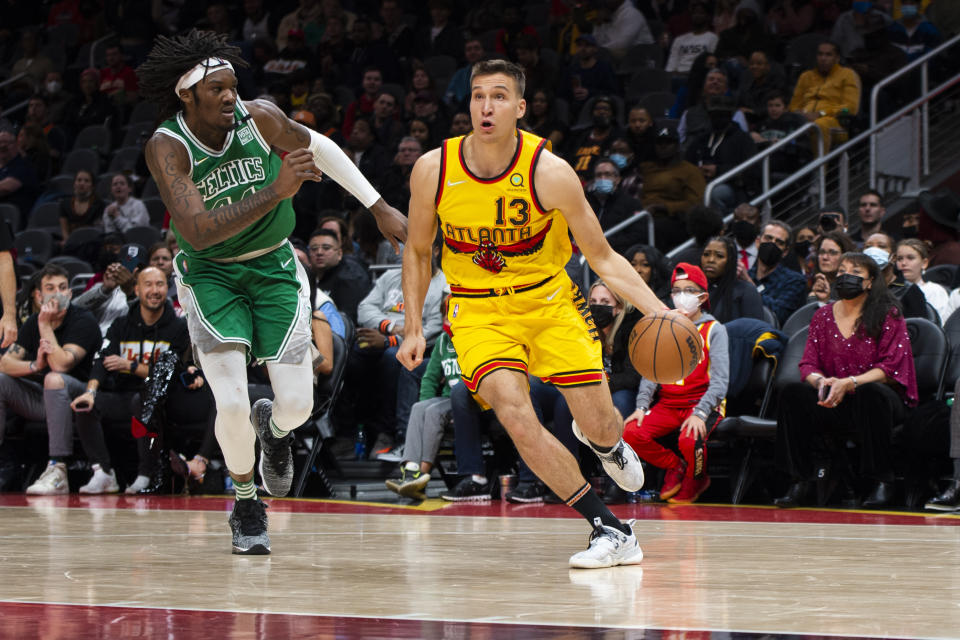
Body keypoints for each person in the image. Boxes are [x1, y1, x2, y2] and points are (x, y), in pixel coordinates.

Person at [139, 30, 407, 555]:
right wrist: (275, 190)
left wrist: (375, 204)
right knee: (233, 403)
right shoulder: (167, 146)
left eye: (233, 86)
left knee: (298, 403)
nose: (228, 97)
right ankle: (244, 500)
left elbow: (318, 146)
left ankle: (277, 432)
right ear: (186, 95)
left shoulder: (257, 117)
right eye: (216, 89)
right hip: (211, 274)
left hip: (274, 267)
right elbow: (194, 231)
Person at [399, 59, 672, 569]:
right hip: (478, 311)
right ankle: (609, 529)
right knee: (515, 415)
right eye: (478, 95)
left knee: (600, 423)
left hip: (549, 302)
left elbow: (603, 256)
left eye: (499, 96)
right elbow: (417, 251)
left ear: (520, 108)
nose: (486, 106)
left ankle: (607, 444)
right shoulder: (433, 170)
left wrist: (661, 313)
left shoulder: (550, 172)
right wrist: (414, 326)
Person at [774, 252, 917, 509]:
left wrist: (850, 382)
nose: (845, 276)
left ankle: (881, 480)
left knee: (871, 393)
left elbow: (890, 368)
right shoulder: (822, 316)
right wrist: (821, 383)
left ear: (871, 281)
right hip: (834, 396)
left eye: (855, 272)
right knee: (792, 393)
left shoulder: (888, 314)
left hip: (876, 398)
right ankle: (800, 481)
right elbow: (807, 364)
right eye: (842, 271)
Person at [69, 267, 208, 494]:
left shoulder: (178, 328)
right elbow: (101, 360)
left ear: (167, 289)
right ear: (136, 289)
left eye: (160, 284)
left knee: (144, 397)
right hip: (120, 395)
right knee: (84, 403)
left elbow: (170, 374)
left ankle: (146, 474)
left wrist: (130, 366)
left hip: (161, 402)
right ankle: (103, 472)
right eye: (148, 284)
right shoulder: (120, 326)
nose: (155, 290)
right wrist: (90, 392)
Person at [624, 263, 728, 503]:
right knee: (630, 433)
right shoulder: (662, 325)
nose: (682, 296)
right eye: (677, 290)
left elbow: (721, 381)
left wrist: (701, 413)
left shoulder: (714, 329)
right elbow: (651, 372)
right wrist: (641, 406)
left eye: (689, 290)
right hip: (669, 403)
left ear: (702, 296)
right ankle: (675, 466)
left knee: (690, 438)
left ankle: (697, 477)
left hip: (702, 403)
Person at [0, 265, 102, 494]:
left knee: (54, 378)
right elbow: (5, 363)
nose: (58, 293)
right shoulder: (33, 321)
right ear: (38, 295)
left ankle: (58, 469)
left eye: (63, 287)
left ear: (70, 293)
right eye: (50, 288)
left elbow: (61, 364)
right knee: (1, 380)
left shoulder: (83, 321)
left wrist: (45, 326)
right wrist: (35, 365)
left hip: (81, 399)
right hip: (46, 399)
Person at [788, 41, 861, 152]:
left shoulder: (847, 74)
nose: (823, 58)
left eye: (828, 55)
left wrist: (821, 113)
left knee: (819, 125)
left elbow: (850, 108)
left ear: (837, 58)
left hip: (835, 122)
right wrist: (800, 113)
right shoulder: (806, 76)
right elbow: (793, 106)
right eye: (820, 54)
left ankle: (820, 168)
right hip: (804, 119)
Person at [745, 221, 808, 324]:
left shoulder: (795, 280)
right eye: (768, 238)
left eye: (779, 242)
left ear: (785, 252)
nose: (772, 244)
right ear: (757, 242)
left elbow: (779, 314)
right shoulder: (747, 274)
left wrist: (749, 285)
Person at [700, 235, 764, 323]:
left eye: (719, 256)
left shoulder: (746, 291)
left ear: (731, 260)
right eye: (706, 254)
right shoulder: (697, 289)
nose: (711, 260)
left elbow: (754, 331)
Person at [895, 238, 950, 323]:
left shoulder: (935, 291)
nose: (903, 263)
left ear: (924, 263)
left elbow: (938, 325)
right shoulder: (891, 290)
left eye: (910, 258)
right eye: (899, 259)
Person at [664, 2, 718, 75]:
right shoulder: (679, 39)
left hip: (699, 76)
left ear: (708, 16)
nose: (697, 15)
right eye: (695, 13)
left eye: (701, 13)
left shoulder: (713, 38)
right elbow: (671, 65)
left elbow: (711, 64)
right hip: (678, 76)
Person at [809, 231, 856, 304]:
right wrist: (812, 299)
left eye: (832, 253)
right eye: (821, 252)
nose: (825, 257)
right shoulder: (813, 283)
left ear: (845, 256)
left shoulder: (853, 289)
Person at [59, 169, 105, 240]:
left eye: (86, 181)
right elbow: (64, 230)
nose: (82, 183)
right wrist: (67, 242)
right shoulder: (64, 203)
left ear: (92, 186)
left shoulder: (99, 204)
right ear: (74, 184)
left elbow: (97, 230)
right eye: (79, 180)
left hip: (90, 241)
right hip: (70, 241)